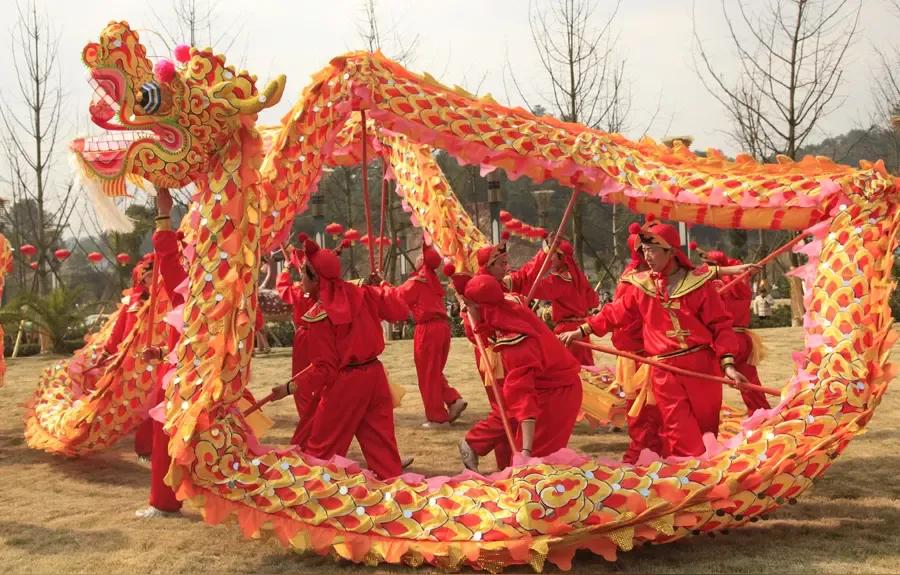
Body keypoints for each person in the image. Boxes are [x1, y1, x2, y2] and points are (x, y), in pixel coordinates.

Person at [560, 222, 747, 458]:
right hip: (664, 369)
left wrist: (727, 364)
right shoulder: (642, 285)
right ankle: (687, 484)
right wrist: (582, 331)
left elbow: (720, 326)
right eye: (644, 251)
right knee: (680, 434)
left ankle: (701, 485)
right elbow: (615, 313)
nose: (647, 256)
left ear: (670, 251)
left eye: (652, 250)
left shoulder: (699, 285)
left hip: (701, 367)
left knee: (706, 432)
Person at [269, 239, 409, 479]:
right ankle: (396, 501)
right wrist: (383, 285)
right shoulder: (364, 293)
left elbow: (325, 369)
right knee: (383, 453)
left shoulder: (319, 315)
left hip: (345, 385)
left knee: (321, 453)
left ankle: (313, 504)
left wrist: (290, 387)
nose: (301, 281)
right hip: (375, 377)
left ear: (316, 279)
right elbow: (399, 310)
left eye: (303, 275)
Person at [464, 274, 582, 459]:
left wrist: (527, 450)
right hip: (554, 387)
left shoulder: (515, 343)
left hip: (555, 396)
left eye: (468, 307)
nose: (466, 312)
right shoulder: (509, 304)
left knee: (534, 468)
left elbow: (523, 400)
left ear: (482, 308)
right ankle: (474, 444)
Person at [135, 188, 186, 518]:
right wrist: (165, 352)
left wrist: (163, 212)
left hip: (186, 377)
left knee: (165, 430)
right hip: (188, 368)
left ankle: (164, 502)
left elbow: (166, 255)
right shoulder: (209, 288)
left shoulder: (191, 286)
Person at [397, 243, 467, 428]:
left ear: (423, 260)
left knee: (427, 373)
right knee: (433, 371)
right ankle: (452, 399)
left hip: (427, 330)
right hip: (443, 328)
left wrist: (380, 284)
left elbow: (395, 298)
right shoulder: (432, 281)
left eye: (419, 255)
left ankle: (437, 417)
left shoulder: (417, 282)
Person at [697, 248, 771, 414]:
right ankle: (762, 414)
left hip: (725, 339)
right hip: (744, 339)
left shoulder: (714, 284)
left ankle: (702, 415)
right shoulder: (740, 283)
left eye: (708, 264)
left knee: (702, 379)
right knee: (750, 382)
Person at [523, 238, 600, 366]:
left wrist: (518, 280)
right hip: (582, 331)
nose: (549, 258)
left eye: (552, 254)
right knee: (585, 373)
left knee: (566, 372)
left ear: (561, 257)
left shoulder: (560, 280)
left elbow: (535, 289)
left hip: (567, 332)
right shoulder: (579, 278)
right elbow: (594, 302)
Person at [275, 241, 316, 447]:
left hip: (305, 337)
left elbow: (282, 289)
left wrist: (284, 269)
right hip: (322, 336)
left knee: (301, 380)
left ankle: (309, 420)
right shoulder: (322, 290)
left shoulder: (301, 291)